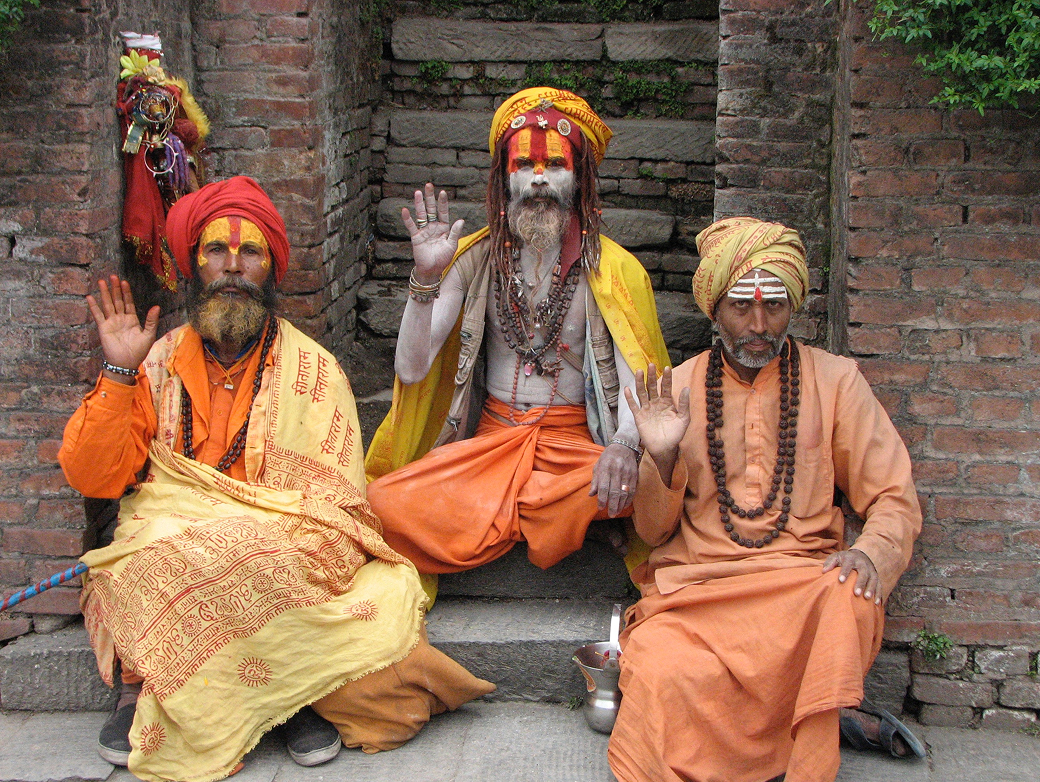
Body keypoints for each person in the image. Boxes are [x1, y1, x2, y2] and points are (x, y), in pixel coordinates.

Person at [58, 176, 494, 782]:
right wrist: (117, 373)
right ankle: (139, 687)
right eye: (216, 250)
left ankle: (286, 696)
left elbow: (337, 513)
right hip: (168, 539)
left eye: (250, 253)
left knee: (291, 568)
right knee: (144, 550)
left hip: (276, 548)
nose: (233, 267)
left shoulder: (315, 369)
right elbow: (95, 476)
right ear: (193, 264)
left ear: (271, 269)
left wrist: (240, 537)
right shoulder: (154, 363)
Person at [607, 217, 923, 782]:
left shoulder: (836, 381)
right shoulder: (680, 388)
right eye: (741, 307)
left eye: (774, 306)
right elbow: (652, 533)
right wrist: (660, 455)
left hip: (800, 588)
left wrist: (872, 552)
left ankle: (804, 757)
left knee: (851, 595)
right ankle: (800, 729)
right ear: (714, 309)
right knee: (661, 668)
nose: (758, 325)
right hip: (702, 595)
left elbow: (894, 496)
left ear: (792, 305)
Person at [364, 87, 669, 579]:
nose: (539, 178)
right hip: (490, 444)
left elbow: (642, 384)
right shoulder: (473, 259)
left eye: (556, 165)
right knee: (381, 502)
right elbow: (411, 368)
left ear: (579, 177)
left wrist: (623, 447)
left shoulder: (614, 271)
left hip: (574, 450)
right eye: (524, 164)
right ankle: (553, 520)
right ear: (504, 177)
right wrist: (424, 278)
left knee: (652, 488)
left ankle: (510, 514)